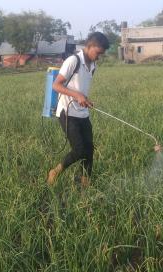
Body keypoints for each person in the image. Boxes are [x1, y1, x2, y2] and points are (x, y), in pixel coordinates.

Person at [47, 32, 109, 188]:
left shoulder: (93, 66)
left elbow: (80, 88)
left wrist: (85, 99)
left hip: (82, 113)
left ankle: (84, 182)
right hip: (67, 113)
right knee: (79, 149)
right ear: (90, 46)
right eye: (98, 52)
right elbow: (56, 85)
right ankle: (55, 172)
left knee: (89, 149)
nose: (99, 57)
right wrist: (77, 95)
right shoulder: (73, 61)